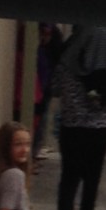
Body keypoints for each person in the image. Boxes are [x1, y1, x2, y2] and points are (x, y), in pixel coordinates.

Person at [51, 26, 106, 210]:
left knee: (69, 174)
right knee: (92, 179)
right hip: (99, 132)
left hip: (71, 128)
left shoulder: (67, 64)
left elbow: (54, 90)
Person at [32, 23, 64, 160]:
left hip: (44, 84)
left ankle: (35, 151)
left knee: (41, 117)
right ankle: (34, 152)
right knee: (40, 118)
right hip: (42, 84)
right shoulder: (52, 36)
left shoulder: (52, 38)